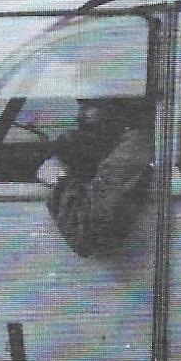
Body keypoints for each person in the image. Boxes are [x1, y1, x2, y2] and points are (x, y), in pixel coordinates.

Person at [35, 97, 154, 257]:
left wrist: (61, 179)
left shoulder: (134, 149)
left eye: (89, 106)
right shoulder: (121, 145)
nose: (79, 116)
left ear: (117, 107)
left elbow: (90, 233)